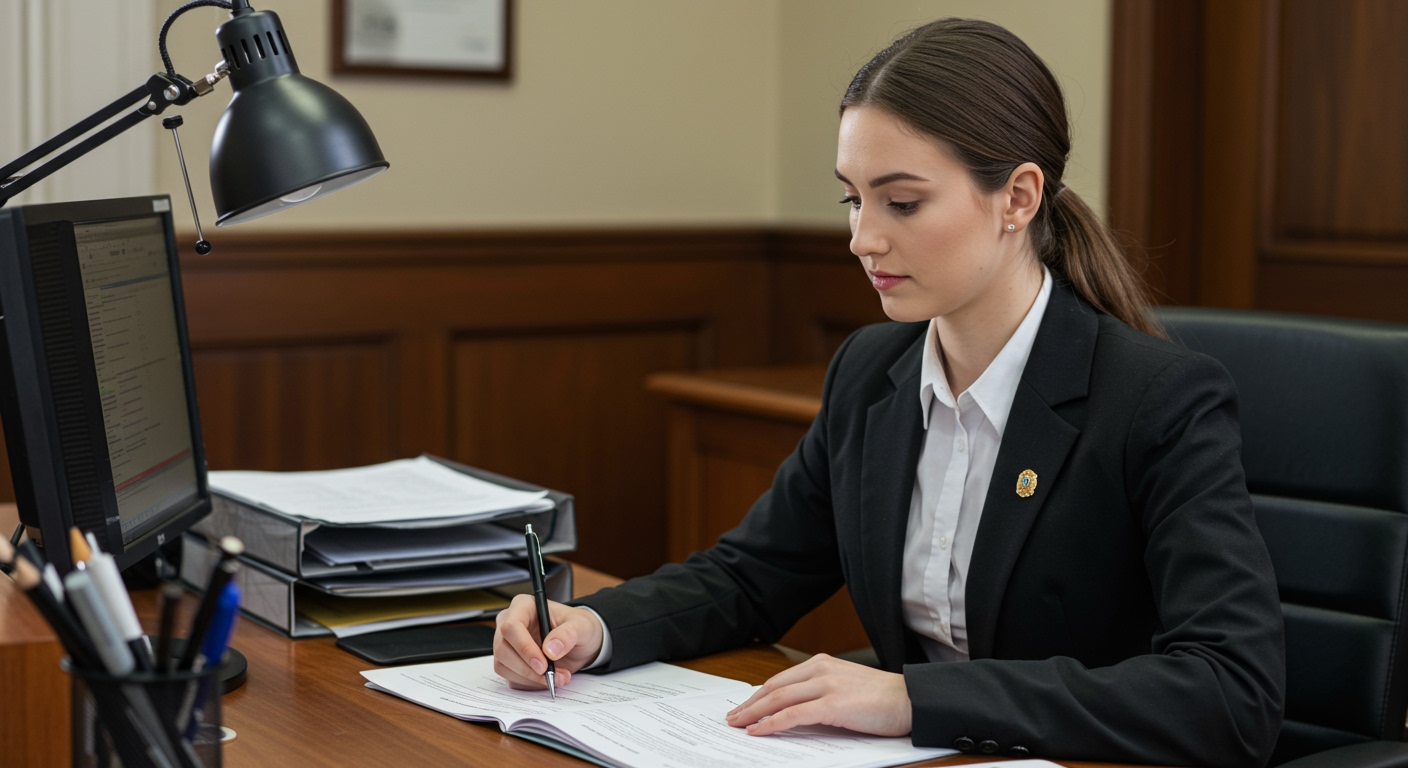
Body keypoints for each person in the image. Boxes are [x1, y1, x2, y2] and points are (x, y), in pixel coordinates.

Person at [492, 18, 1284, 768]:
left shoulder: (1158, 399)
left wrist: (916, 700)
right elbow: (750, 577)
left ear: (1018, 198)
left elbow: (1231, 693)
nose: (862, 238)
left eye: (901, 203)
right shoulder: (872, 370)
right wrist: (591, 629)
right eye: (853, 198)